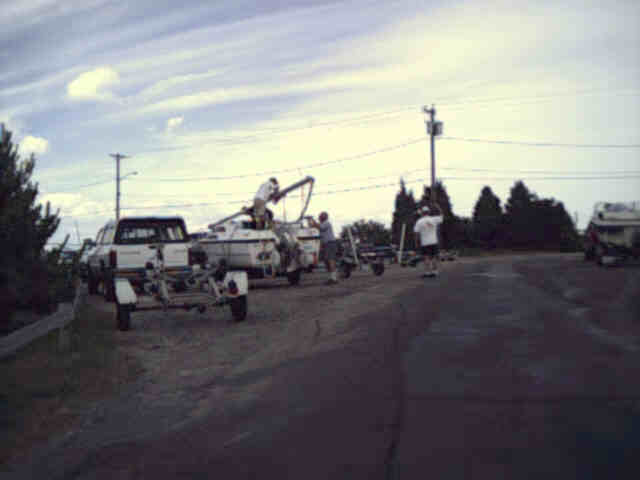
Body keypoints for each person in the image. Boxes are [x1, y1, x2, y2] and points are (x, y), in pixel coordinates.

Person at [413, 202, 443, 278]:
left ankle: (427, 272)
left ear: (422, 213)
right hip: (434, 241)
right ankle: (434, 271)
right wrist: (438, 207)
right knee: (434, 257)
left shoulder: (419, 221)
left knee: (426, 257)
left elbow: (416, 233)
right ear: (428, 212)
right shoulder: (434, 219)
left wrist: (416, 242)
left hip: (425, 242)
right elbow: (441, 215)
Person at [308, 211, 339, 285]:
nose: (319, 217)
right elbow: (314, 226)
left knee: (330, 260)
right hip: (326, 244)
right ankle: (332, 277)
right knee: (327, 261)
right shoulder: (323, 224)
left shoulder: (326, 223)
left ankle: (334, 278)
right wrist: (310, 221)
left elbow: (319, 227)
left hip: (330, 243)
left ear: (324, 217)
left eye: (320, 216)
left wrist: (312, 220)